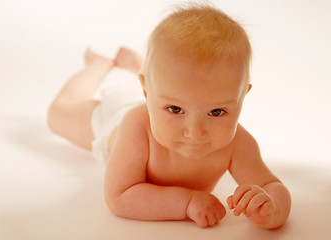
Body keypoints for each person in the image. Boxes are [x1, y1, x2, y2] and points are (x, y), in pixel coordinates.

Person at [47, 3, 291, 229]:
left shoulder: (238, 144)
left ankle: (141, 69)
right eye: (175, 110)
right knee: (59, 113)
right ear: (146, 92)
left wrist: (271, 207)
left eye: (217, 112)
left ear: (242, 96)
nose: (195, 132)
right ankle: (98, 66)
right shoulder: (135, 126)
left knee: (173, 86)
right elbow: (120, 197)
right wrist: (186, 202)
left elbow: (273, 186)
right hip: (113, 118)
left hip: (161, 92)